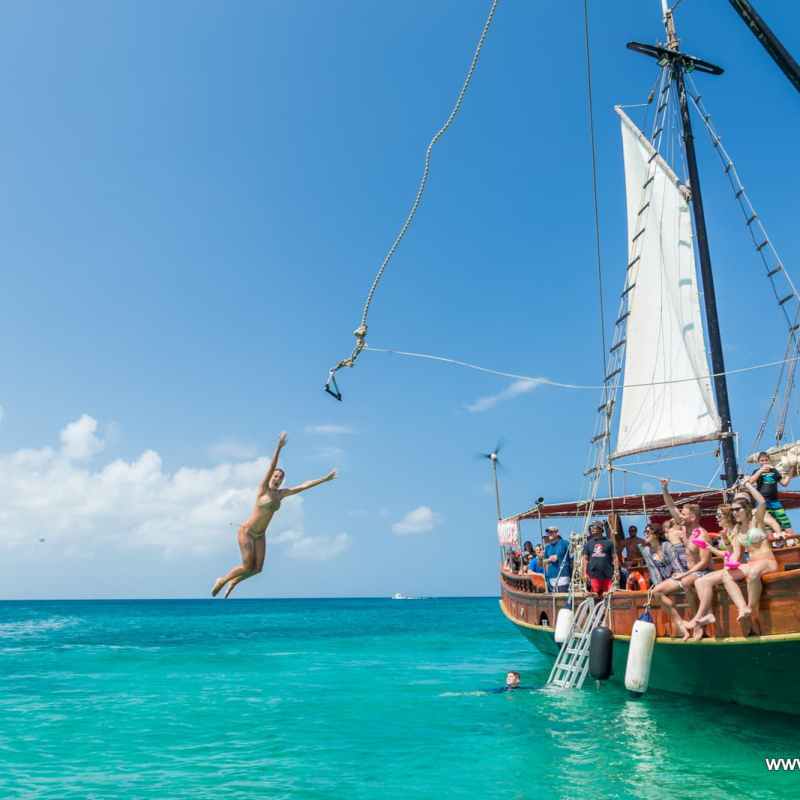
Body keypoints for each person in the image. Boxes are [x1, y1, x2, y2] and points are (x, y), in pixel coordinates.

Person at [211, 432, 336, 598]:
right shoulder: (263, 489)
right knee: (247, 566)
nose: (277, 478)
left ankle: (235, 582)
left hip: (260, 535)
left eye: (280, 477)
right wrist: (279, 447)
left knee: (257, 569)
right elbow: (271, 466)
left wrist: (324, 479)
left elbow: (304, 486)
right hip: (247, 532)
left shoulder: (281, 494)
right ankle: (223, 580)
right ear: (272, 477)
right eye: (275, 476)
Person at [651, 479, 713, 638]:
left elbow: (704, 562)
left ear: (692, 517)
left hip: (701, 572)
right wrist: (664, 489)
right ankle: (680, 625)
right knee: (657, 592)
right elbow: (671, 507)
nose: (680, 516)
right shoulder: (685, 526)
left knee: (686, 584)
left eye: (684, 514)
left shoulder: (701, 534)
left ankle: (698, 625)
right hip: (687, 572)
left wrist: (684, 574)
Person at [746, 451, 793, 532]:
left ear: (769, 461)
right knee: (767, 524)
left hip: (774, 501)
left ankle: (792, 537)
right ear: (758, 462)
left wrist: (791, 472)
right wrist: (760, 471)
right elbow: (750, 482)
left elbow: (784, 483)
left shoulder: (774, 471)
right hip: (763, 502)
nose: (764, 462)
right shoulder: (756, 471)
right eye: (762, 460)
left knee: (785, 521)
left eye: (766, 460)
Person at [582, 522, 617, 598]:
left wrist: (616, 571)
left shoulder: (609, 543)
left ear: (601, 530)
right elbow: (585, 559)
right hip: (594, 574)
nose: (593, 529)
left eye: (595, 527)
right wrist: (584, 573)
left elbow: (614, 557)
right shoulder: (588, 544)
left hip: (607, 574)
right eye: (592, 528)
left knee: (608, 595)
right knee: (595, 594)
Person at [544, 527, 572, 592]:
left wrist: (548, 560)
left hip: (563, 577)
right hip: (551, 578)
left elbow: (555, 558)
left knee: (562, 599)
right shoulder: (547, 547)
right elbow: (543, 563)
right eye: (548, 533)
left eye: (551, 532)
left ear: (557, 533)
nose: (549, 534)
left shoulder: (564, 543)